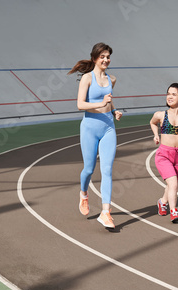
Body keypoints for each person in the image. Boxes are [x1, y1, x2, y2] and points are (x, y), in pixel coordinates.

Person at [68, 42, 123, 228]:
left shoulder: (111, 79)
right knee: (89, 170)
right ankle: (83, 193)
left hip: (108, 126)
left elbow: (109, 100)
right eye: (102, 57)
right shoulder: (87, 78)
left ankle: (106, 212)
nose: (106, 60)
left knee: (107, 170)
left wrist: (114, 110)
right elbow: (80, 105)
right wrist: (100, 104)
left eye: (108, 57)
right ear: (94, 59)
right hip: (90, 127)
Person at [149, 83, 178, 222]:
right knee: (174, 184)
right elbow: (152, 123)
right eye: (168, 93)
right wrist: (156, 134)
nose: (169, 97)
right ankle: (174, 212)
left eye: (173, 94)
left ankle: (162, 202)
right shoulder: (160, 115)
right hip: (164, 154)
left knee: (172, 183)